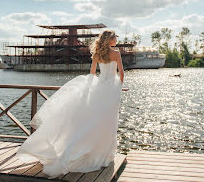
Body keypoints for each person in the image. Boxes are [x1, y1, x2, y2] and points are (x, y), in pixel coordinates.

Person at [15, 30, 124, 178]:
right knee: (109, 121)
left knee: (95, 120)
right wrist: (118, 87)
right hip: (111, 89)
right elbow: (121, 74)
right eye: (115, 37)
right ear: (110, 39)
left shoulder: (98, 54)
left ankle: (96, 151)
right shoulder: (116, 53)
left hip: (99, 87)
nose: (116, 39)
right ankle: (106, 154)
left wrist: (90, 89)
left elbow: (92, 73)